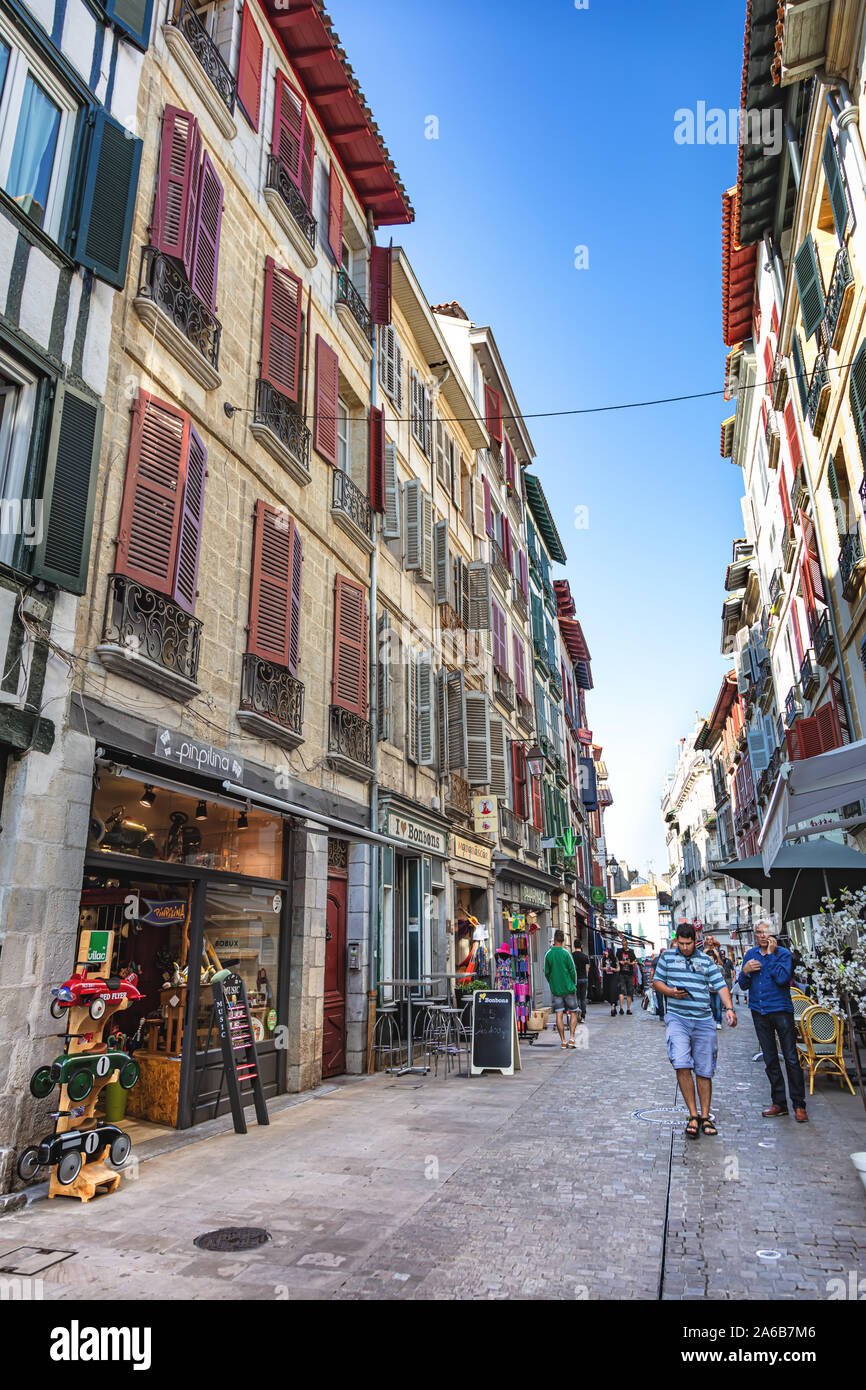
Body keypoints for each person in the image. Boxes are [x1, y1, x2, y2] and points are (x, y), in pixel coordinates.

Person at [653, 924, 737, 1138]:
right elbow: (657, 982)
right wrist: (671, 992)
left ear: (695, 940)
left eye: (688, 944)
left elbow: (720, 985)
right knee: (681, 1063)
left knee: (704, 1068)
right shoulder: (667, 958)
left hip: (703, 1019)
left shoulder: (706, 961)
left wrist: (729, 1009)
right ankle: (692, 1114)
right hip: (677, 1018)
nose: (684, 947)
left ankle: (705, 1116)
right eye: (681, 943)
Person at [739, 922, 808, 1123]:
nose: (762, 936)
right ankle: (779, 1103)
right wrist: (744, 971)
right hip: (759, 1011)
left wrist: (769, 955)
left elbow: (781, 979)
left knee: (791, 1057)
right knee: (770, 1058)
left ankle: (799, 1104)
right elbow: (743, 985)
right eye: (759, 932)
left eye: (766, 933)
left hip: (780, 1010)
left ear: (773, 935)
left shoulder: (783, 954)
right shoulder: (750, 954)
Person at [544, 929, 580, 1049]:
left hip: (556, 989)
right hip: (568, 988)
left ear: (554, 939)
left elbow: (547, 972)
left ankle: (563, 1041)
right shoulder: (566, 953)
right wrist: (574, 984)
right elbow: (572, 970)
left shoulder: (548, 954)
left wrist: (552, 983)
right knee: (573, 1012)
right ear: (563, 940)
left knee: (559, 1013)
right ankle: (572, 1038)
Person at [703, 937, 725, 1030]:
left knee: (718, 1006)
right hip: (709, 989)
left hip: (717, 989)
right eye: (708, 939)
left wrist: (717, 955)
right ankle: (715, 1019)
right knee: (712, 1006)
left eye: (711, 939)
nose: (710, 941)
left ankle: (719, 1021)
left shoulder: (717, 952)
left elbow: (721, 965)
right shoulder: (703, 951)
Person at [616, 935, 637, 1016]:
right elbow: (616, 959)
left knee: (629, 991)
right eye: (622, 944)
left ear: (627, 944)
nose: (623, 946)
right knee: (621, 990)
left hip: (629, 974)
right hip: (622, 973)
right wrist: (619, 962)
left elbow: (634, 962)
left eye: (625, 944)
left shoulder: (631, 952)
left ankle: (628, 1009)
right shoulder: (619, 951)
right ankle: (621, 1008)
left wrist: (629, 963)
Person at [571, 942, 590, 1022]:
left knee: (576, 998)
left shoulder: (572, 955)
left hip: (575, 979)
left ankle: (577, 1014)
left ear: (574, 946)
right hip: (584, 978)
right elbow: (587, 968)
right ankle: (583, 1016)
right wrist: (586, 975)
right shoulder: (585, 956)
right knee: (583, 998)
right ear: (581, 946)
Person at [601, 943, 620, 1016]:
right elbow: (601, 967)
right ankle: (613, 1005)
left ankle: (613, 1007)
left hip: (613, 977)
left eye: (606, 952)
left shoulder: (615, 959)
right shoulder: (603, 959)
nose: (605, 953)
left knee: (613, 991)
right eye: (605, 952)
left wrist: (613, 969)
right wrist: (605, 968)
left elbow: (618, 969)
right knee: (608, 992)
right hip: (606, 978)